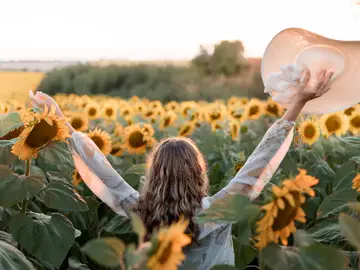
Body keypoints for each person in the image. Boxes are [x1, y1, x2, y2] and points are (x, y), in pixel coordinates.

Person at [30, 69, 333, 269]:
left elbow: (105, 173)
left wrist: (63, 123)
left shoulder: (140, 212)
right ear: (199, 174)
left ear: (153, 177)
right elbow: (258, 164)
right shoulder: (218, 211)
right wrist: (297, 105)